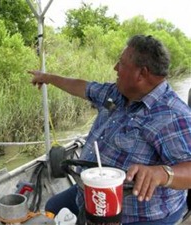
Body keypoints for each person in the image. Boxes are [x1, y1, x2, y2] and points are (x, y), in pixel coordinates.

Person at [28, 34, 191, 225]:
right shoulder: (116, 93)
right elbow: (82, 87)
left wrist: (163, 174)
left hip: (139, 214)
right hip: (91, 191)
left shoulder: (172, 115)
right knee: (53, 208)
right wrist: (47, 78)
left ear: (141, 73)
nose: (115, 68)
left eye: (121, 64)